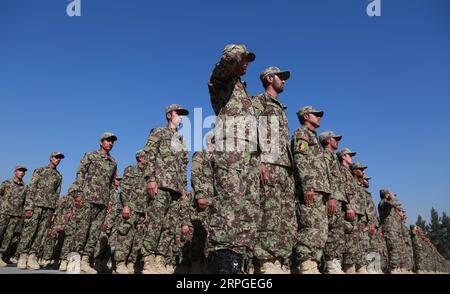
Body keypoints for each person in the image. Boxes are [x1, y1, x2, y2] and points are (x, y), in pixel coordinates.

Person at [207, 44, 261, 274]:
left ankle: (237, 261)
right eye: (243, 60)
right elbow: (221, 69)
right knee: (229, 203)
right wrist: (234, 56)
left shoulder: (242, 89)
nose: (246, 63)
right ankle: (222, 263)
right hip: (231, 149)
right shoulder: (222, 83)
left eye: (248, 60)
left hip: (249, 153)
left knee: (247, 208)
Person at [253, 66, 296, 274]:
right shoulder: (259, 101)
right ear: (270, 78)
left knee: (285, 216)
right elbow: (251, 131)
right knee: (268, 212)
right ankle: (265, 261)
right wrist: (259, 161)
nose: (284, 81)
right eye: (281, 77)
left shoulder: (280, 107)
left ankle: (279, 259)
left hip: (285, 167)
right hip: (268, 163)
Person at [141, 104, 190, 274]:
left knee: (170, 227)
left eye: (183, 115)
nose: (181, 117)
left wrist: (184, 188)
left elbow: (184, 165)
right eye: (179, 114)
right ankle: (148, 261)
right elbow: (149, 154)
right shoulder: (158, 132)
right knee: (155, 224)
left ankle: (160, 260)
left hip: (176, 190)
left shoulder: (182, 140)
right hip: (160, 185)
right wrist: (151, 179)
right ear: (169, 115)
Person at [71, 132, 118, 274]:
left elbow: (111, 184)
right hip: (88, 198)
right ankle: (74, 262)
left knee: (94, 233)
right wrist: (78, 193)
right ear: (101, 142)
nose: (110, 143)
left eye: (112, 141)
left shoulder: (113, 162)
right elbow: (80, 172)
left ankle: (85, 261)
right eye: (108, 140)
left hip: (102, 202)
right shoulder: (90, 155)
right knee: (82, 230)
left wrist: (109, 201)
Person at [292, 106, 330, 274]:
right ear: (306, 116)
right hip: (310, 191)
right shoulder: (302, 134)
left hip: (320, 191)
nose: (319, 117)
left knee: (320, 231)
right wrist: (307, 186)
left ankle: (313, 264)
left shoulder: (313, 138)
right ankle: (306, 266)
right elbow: (300, 160)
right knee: (309, 229)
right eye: (316, 115)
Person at [17, 152, 64, 270]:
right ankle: (23, 256)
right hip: (36, 205)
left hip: (49, 207)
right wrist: (29, 206)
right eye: (56, 157)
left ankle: (32, 256)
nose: (58, 159)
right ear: (50, 158)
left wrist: (55, 211)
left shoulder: (58, 175)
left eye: (59, 158)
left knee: (41, 233)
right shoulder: (40, 170)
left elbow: (57, 193)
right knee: (29, 231)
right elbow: (32, 188)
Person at [0, 165, 28, 267]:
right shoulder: (6, 183)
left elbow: (25, 202)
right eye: (20, 170)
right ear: (15, 171)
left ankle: (1, 255)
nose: (22, 172)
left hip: (16, 215)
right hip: (4, 212)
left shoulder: (25, 188)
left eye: (23, 171)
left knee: (8, 236)